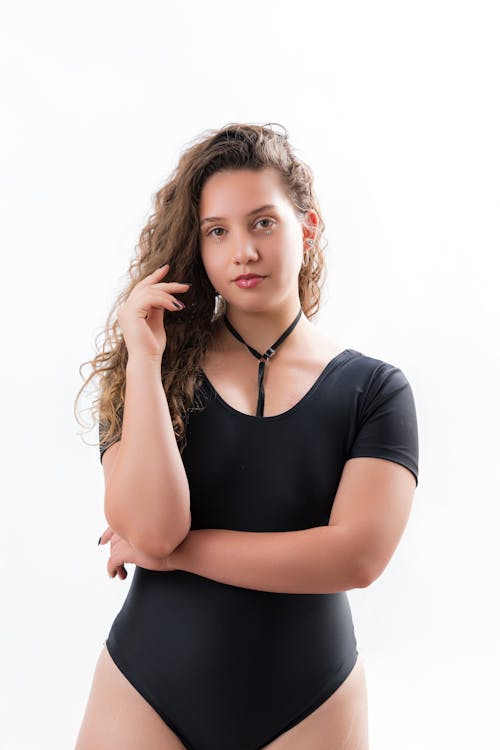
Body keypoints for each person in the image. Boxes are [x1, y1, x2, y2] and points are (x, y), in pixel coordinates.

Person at [74, 122, 419, 750]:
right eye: (218, 231)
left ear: (307, 227)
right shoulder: (149, 372)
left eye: (263, 222)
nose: (243, 251)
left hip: (311, 703)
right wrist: (146, 362)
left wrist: (180, 556)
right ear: (198, 246)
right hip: (143, 691)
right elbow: (151, 529)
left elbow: (357, 558)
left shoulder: (377, 391)